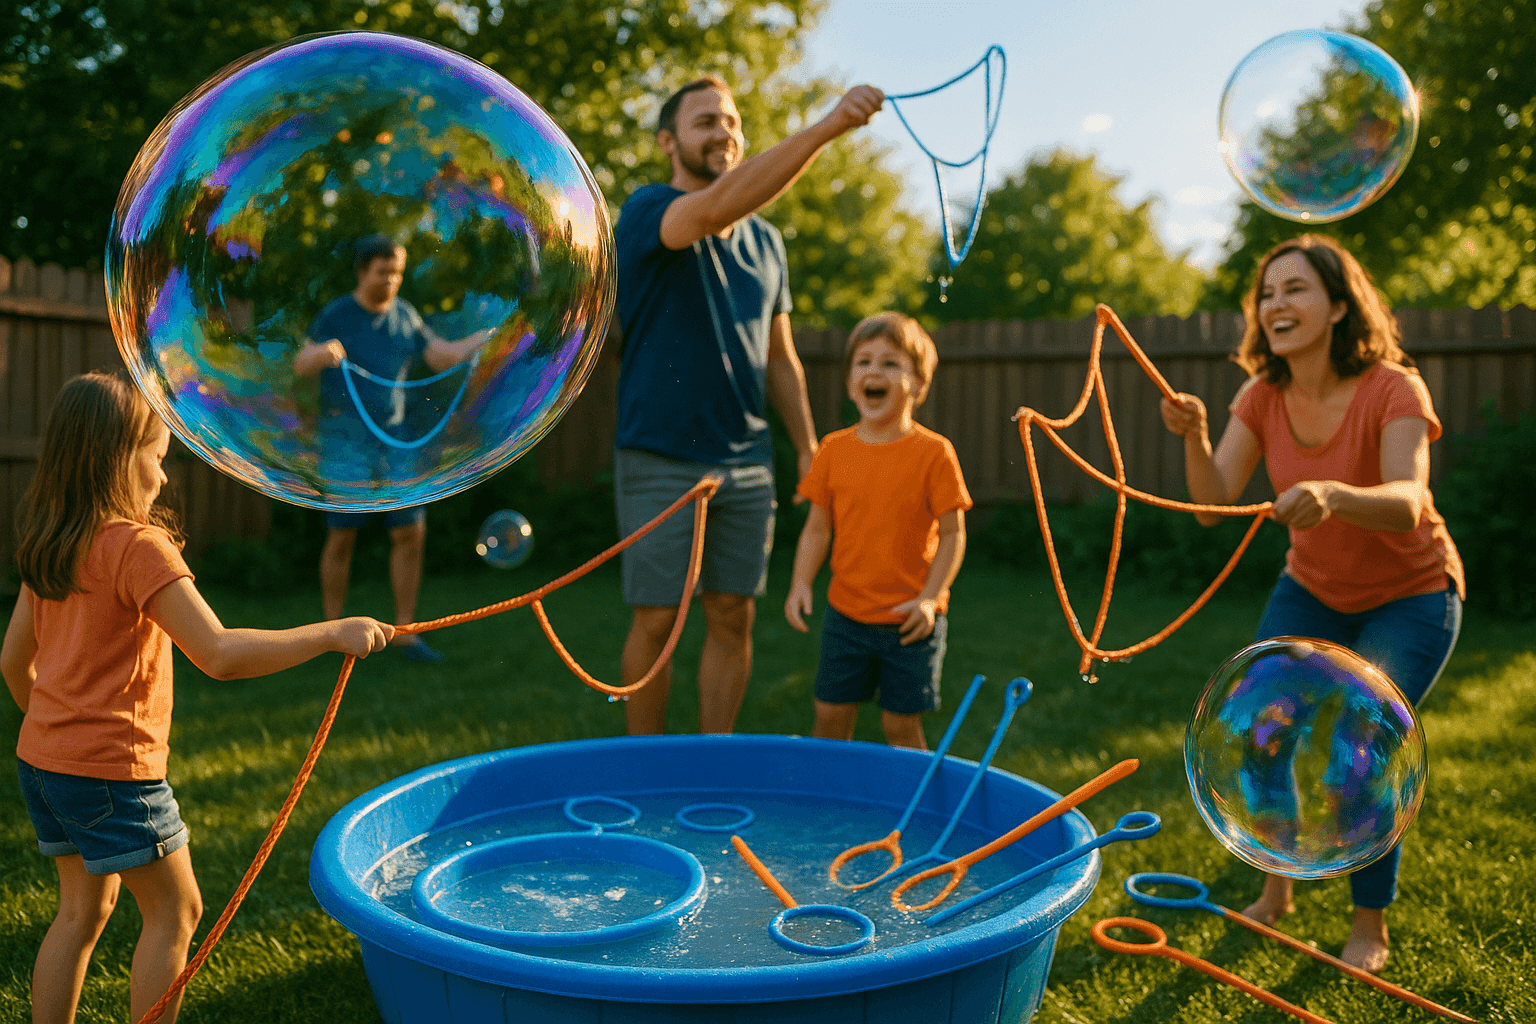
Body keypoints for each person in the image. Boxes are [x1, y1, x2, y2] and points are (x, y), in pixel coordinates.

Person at [0, 372, 393, 1024]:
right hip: (110, 773)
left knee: (79, 911)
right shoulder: (138, 548)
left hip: (42, 764)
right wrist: (332, 633)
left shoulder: (52, 542)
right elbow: (219, 653)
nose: (161, 475)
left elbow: (14, 661)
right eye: (156, 456)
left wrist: (51, 727)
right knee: (176, 911)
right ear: (116, 460)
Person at [1160, 234, 1464, 974]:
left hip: (1414, 594)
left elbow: (1407, 502)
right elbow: (1210, 504)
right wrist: (1198, 438)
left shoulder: (1395, 387)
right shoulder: (1260, 396)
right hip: (1313, 589)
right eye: (1266, 294)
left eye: (1294, 289)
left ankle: (1370, 925)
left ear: (1336, 305)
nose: (1275, 305)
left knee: (1357, 751)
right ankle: (1278, 886)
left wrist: (1332, 493)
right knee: (1266, 728)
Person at [613, 75, 884, 734]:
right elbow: (708, 213)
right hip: (660, 452)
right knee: (657, 618)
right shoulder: (649, 209)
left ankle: (713, 761)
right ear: (668, 140)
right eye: (705, 121)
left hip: (747, 459)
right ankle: (645, 767)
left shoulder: (767, 244)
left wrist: (807, 448)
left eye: (731, 121)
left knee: (733, 615)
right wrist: (827, 127)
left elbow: (780, 358)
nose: (723, 132)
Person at [293, 235, 487, 663]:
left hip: (395, 441)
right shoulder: (338, 314)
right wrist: (321, 353)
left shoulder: (405, 316)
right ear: (363, 271)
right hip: (345, 441)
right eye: (383, 271)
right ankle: (331, 633)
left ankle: (404, 632)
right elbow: (300, 363)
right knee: (342, 536)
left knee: (410, 533)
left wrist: (479, 342)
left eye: (397, 271)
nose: (391, 279)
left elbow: (439, 356)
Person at [784, 313, 971, 750]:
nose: (874, 371)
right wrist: (799, 584)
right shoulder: (833, 450)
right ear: (851, 382)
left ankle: (918, 813)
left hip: (910, 620)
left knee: (899, 728)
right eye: (863, 362)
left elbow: (952, 534)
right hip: (846, 616)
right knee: (829, 718)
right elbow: (816, 529)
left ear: (918, 385)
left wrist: (929, 598)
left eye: (891, 363)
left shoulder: (934, 454)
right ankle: (830, 806)